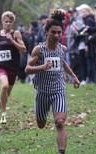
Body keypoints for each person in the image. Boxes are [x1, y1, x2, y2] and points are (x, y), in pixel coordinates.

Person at [25, 10, 80, 154]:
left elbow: (63, 63)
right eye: (53, 32)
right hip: (42, 92)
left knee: (60, 122)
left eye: (59, 33)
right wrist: (42, 67)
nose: (57, 35)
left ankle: (61, 151)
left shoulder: (62, 49)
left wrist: (73, 76)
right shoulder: (39, 50)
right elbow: (27, 69)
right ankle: (40, 114)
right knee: (41, 124)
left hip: (58, 91)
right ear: (47, 32)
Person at [0, 11, 26, 124]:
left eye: (10, 22)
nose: (8, 24)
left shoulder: (16, 34)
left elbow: (23, 49)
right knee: (4, 86)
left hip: (13, 67)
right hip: (1, 66)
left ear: (13, 23)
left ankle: (1, 102)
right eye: (6, 21)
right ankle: (3, 114)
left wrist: (12, 41)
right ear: (2, 22)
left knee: (7, 93)